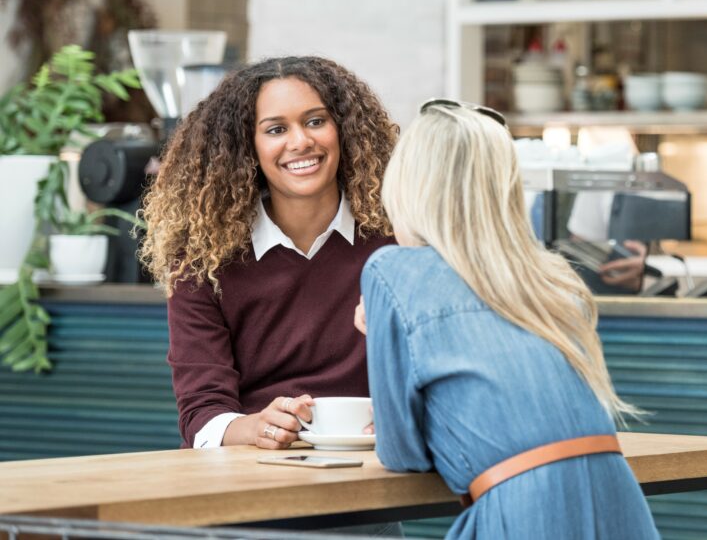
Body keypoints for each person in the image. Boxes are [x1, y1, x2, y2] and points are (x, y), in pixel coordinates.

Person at [354, 99, 660, 539]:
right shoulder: (549, 275)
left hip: (524, 511)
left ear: (408, 186)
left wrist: (384, 334)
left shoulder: (393, 270)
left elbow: (403, 456)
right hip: (619, 500)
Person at [140, 56, 397, 449]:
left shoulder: (396, 240)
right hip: (250, 476)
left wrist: (402, 412)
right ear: (247, 147)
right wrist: (260, 426)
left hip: (373, 467)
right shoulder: (203, 260)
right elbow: (201, 417)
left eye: (315, 121)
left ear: (342, 129)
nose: (300, 141)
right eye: (276, 129)